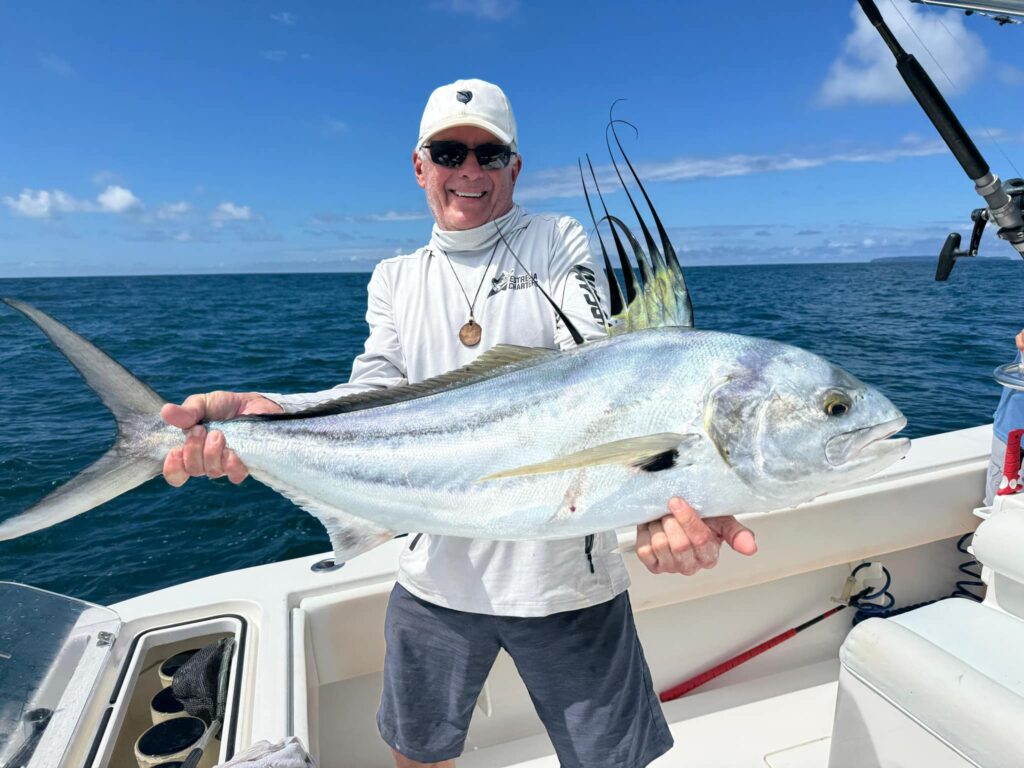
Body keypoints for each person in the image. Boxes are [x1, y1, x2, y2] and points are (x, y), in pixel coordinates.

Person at [161, 79, 758, 768]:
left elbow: (601, 366)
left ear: (515, 167)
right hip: (434, 579)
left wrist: (668, 485)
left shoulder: (556, 241)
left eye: (489, 154)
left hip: (567, 579)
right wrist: (272, 414)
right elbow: (375, 393)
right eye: (449, 152)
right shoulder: (395, 277)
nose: (469, 170)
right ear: (420, 166)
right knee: (417, 755)